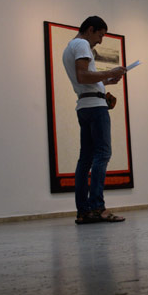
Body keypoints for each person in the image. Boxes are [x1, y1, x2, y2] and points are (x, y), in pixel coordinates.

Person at [62, 15, 127, 224]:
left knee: (86, 159)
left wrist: (107, 81)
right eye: (100, 35)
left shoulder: (69, 47)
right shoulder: (82, 44)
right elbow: (83, 76)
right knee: (102, 154)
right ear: (90, 29)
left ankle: (83, 211)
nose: (100, 41)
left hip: (84, 105)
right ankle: (98, 207)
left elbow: (84, 80)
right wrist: (110, 71)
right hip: (95, 107)